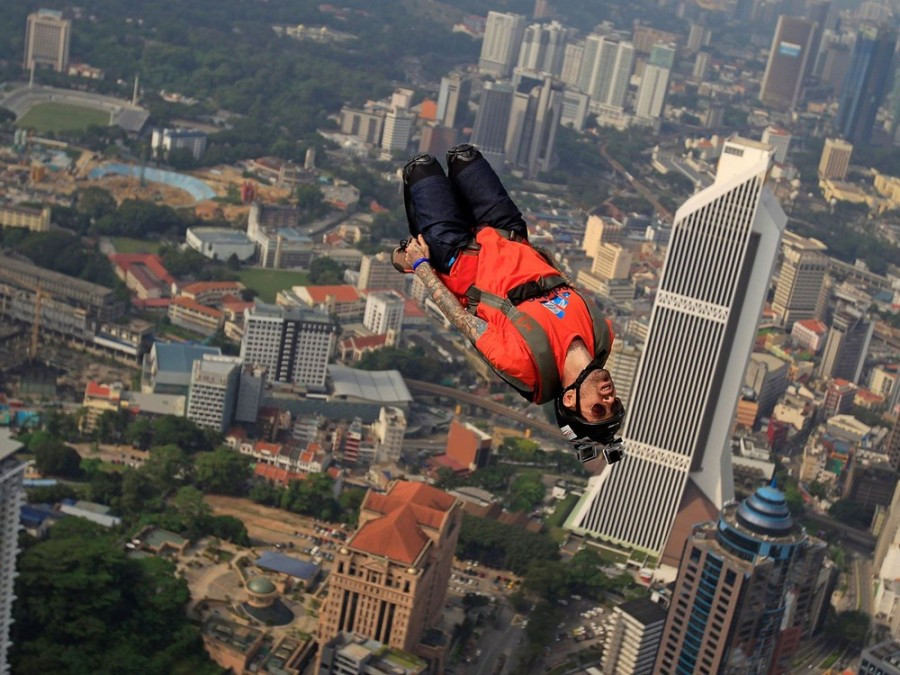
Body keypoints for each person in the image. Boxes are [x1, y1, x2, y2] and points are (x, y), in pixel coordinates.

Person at [394, 144, 625, 467]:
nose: (609, 399)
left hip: (460, 258)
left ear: (570, 399)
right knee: (465, 157)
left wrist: (420, 265)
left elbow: (460, 318)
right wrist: (532, 253)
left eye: (598, 409)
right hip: (508, 233)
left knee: (422, 168)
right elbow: (565, 282)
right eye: (614, 406)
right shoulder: (602, 334)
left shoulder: (525, 367)